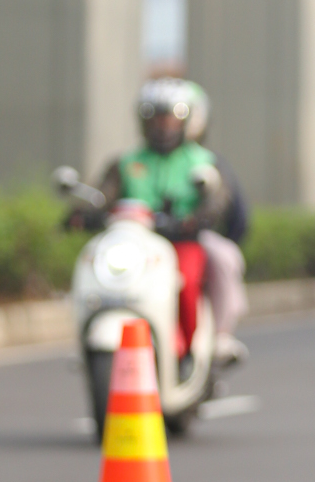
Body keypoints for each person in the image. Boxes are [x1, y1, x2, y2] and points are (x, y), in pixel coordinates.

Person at [88, 78, 249, 365]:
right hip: (137, 243)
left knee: (192, 278)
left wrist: (196, 219)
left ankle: (201, 345)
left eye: (170, 119)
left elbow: (220, 199)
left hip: (184, 238)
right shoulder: (126, 162)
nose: (162, 127)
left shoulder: (204, 162)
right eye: (156, 119)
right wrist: (84, 212)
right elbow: (103, 196)